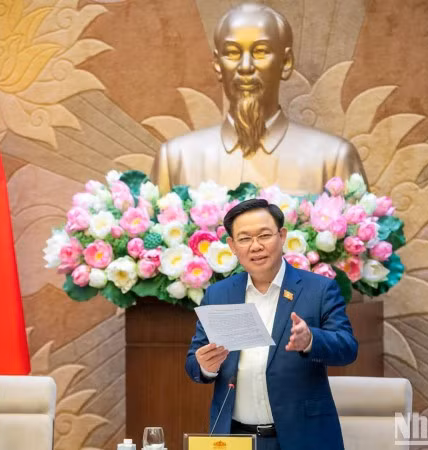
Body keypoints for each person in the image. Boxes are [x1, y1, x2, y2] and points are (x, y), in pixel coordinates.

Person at [185, 199, 357, 450]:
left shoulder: (318, 290)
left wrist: (311, 340)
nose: (256, 246)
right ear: (232, 246)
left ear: (282, 236)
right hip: (235, 438)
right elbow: (194, 362)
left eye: (264, 235)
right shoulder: (219, 294)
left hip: (303, 438)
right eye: (244, 239)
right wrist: (205, 366)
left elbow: (348, 348)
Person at [151, 3, 367, 196]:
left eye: (261, 51)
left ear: (286, 62)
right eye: (233, 53)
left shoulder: (332, 159)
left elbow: (359, 238)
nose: (245, 67)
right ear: (218, 65)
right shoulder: (176, 160)